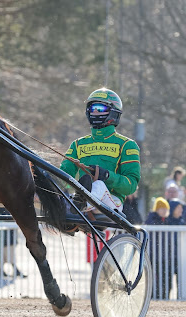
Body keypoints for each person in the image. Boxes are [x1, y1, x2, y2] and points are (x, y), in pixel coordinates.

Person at [59, 88, 141, 221]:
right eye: (92, 108)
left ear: (113, 112)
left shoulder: (127, 145)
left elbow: (131, 186)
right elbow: (64, 177)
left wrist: (108, 176)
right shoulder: (78, 144)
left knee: (99, 185)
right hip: (80, 201)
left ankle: (81, 202)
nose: (95, 112)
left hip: (112, 203)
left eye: (100, 108)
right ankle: (79, 201)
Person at [145, 197, 170, 299]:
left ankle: (163, 295)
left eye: (166, 209)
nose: (164, 211)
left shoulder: (166, 220)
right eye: (162, 208)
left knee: (163, 277)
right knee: (151, 276)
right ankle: (151, 296)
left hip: (163, 255)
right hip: (153, 254)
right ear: (157, 209)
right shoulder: (152, 218)